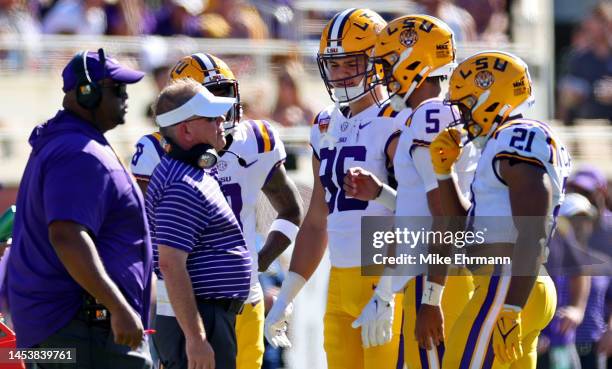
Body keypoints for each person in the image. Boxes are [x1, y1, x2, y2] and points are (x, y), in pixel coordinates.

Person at [131, 52, 303, 369]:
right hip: (188, 307)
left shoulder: (256, 140)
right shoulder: (162, 158)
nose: (223, 109)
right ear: (183, 123)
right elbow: (149, 241)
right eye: (210, 102)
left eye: (224, 93)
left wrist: (256, 264)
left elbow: (292, 211)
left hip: (242, 302)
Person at [265, 8, 405, 369]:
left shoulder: (398, 122)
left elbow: (417, 214)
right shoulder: (324, 124)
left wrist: (388, 292)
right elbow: (316, 220)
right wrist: (287, 297)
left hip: (386, 275)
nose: (341, 75)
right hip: (339, 278)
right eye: (335, 65)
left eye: (350, 64)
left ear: (378, 62)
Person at [342, 14, 479, 369]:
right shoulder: (437, 114)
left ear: (412, 62)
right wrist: (381, 194)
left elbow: (442, 218)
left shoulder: (429, 116)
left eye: (389, 64)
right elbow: (421, 207)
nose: (384, 74)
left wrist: (421, 297)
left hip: (440, 276)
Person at [6, 49, 153, 368]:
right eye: (118, 89)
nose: (126, 97)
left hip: (64, 331)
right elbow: (67, 236)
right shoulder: (79, 152)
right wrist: (118, 307)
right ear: (87, 93)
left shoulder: (67, 143)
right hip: (83, 329)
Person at [429, 51, 571, 369]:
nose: (462, 116)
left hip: (507, 281)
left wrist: (511, 307)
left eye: (466, 105)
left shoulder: (517, 137)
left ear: (490, 97)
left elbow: (533, 228)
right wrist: (443, 173)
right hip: (514, 282)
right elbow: (464, 227)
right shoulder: (503, 143)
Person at [147, 78, 251, 369]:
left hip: (207, 316)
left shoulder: (194, 173)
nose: (222, 120)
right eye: (210, 117)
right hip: (201, 318)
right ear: (186, 129)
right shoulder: (181, 183)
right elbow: (170, 263)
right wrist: (196, 338)